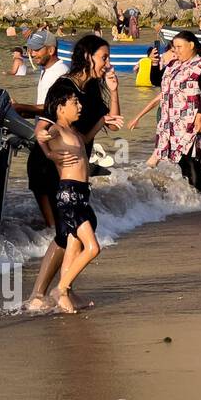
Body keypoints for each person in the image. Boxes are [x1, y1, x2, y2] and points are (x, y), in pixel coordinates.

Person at [26, 36, 122, 310]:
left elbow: (113, 125)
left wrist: (114, 91)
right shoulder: (64, 86)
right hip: (53, 163)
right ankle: (40, 293)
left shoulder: (92, 89)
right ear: (88, 56)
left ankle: (63, 290)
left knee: (73, 232)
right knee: (64, 232)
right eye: (104, 57)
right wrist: (50, 155)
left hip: (74, 164)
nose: (107, 63)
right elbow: (43, 126)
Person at [34, 89, 103, 315]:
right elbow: (41, 133)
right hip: (69, 194)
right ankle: (60, 290)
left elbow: (86, 139)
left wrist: (103, 120)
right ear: (60, 108)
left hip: (81, 193)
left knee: (74, 247)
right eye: (75, 102)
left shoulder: (73, 132)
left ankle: (66, 295)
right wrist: (46, 150)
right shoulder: (57, 130)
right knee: (92, 248)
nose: (80, 106)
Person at [129, 31, 201, 193]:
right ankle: (188, 194)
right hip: (170, 121)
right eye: (174, 47)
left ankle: (198, 197)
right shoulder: (173, 65)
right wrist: (154, 63)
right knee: (180, 159)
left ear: (191, 45)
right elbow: (156, 81)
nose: (176, 50)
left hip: (191, 120)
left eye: (179, 46)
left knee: (192, 159)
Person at [11, 30, 70, 235]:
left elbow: (52, 108)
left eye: (36, 49)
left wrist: (21, 108)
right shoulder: (48, 70)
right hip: (46, 131)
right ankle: (55, 226)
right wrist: (22, 109)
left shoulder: (59, 71)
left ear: (51, 49)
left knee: (41, 179)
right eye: (29, 49)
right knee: (42, 181)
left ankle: (54, 228)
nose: (32, 53)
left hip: (52, 134)